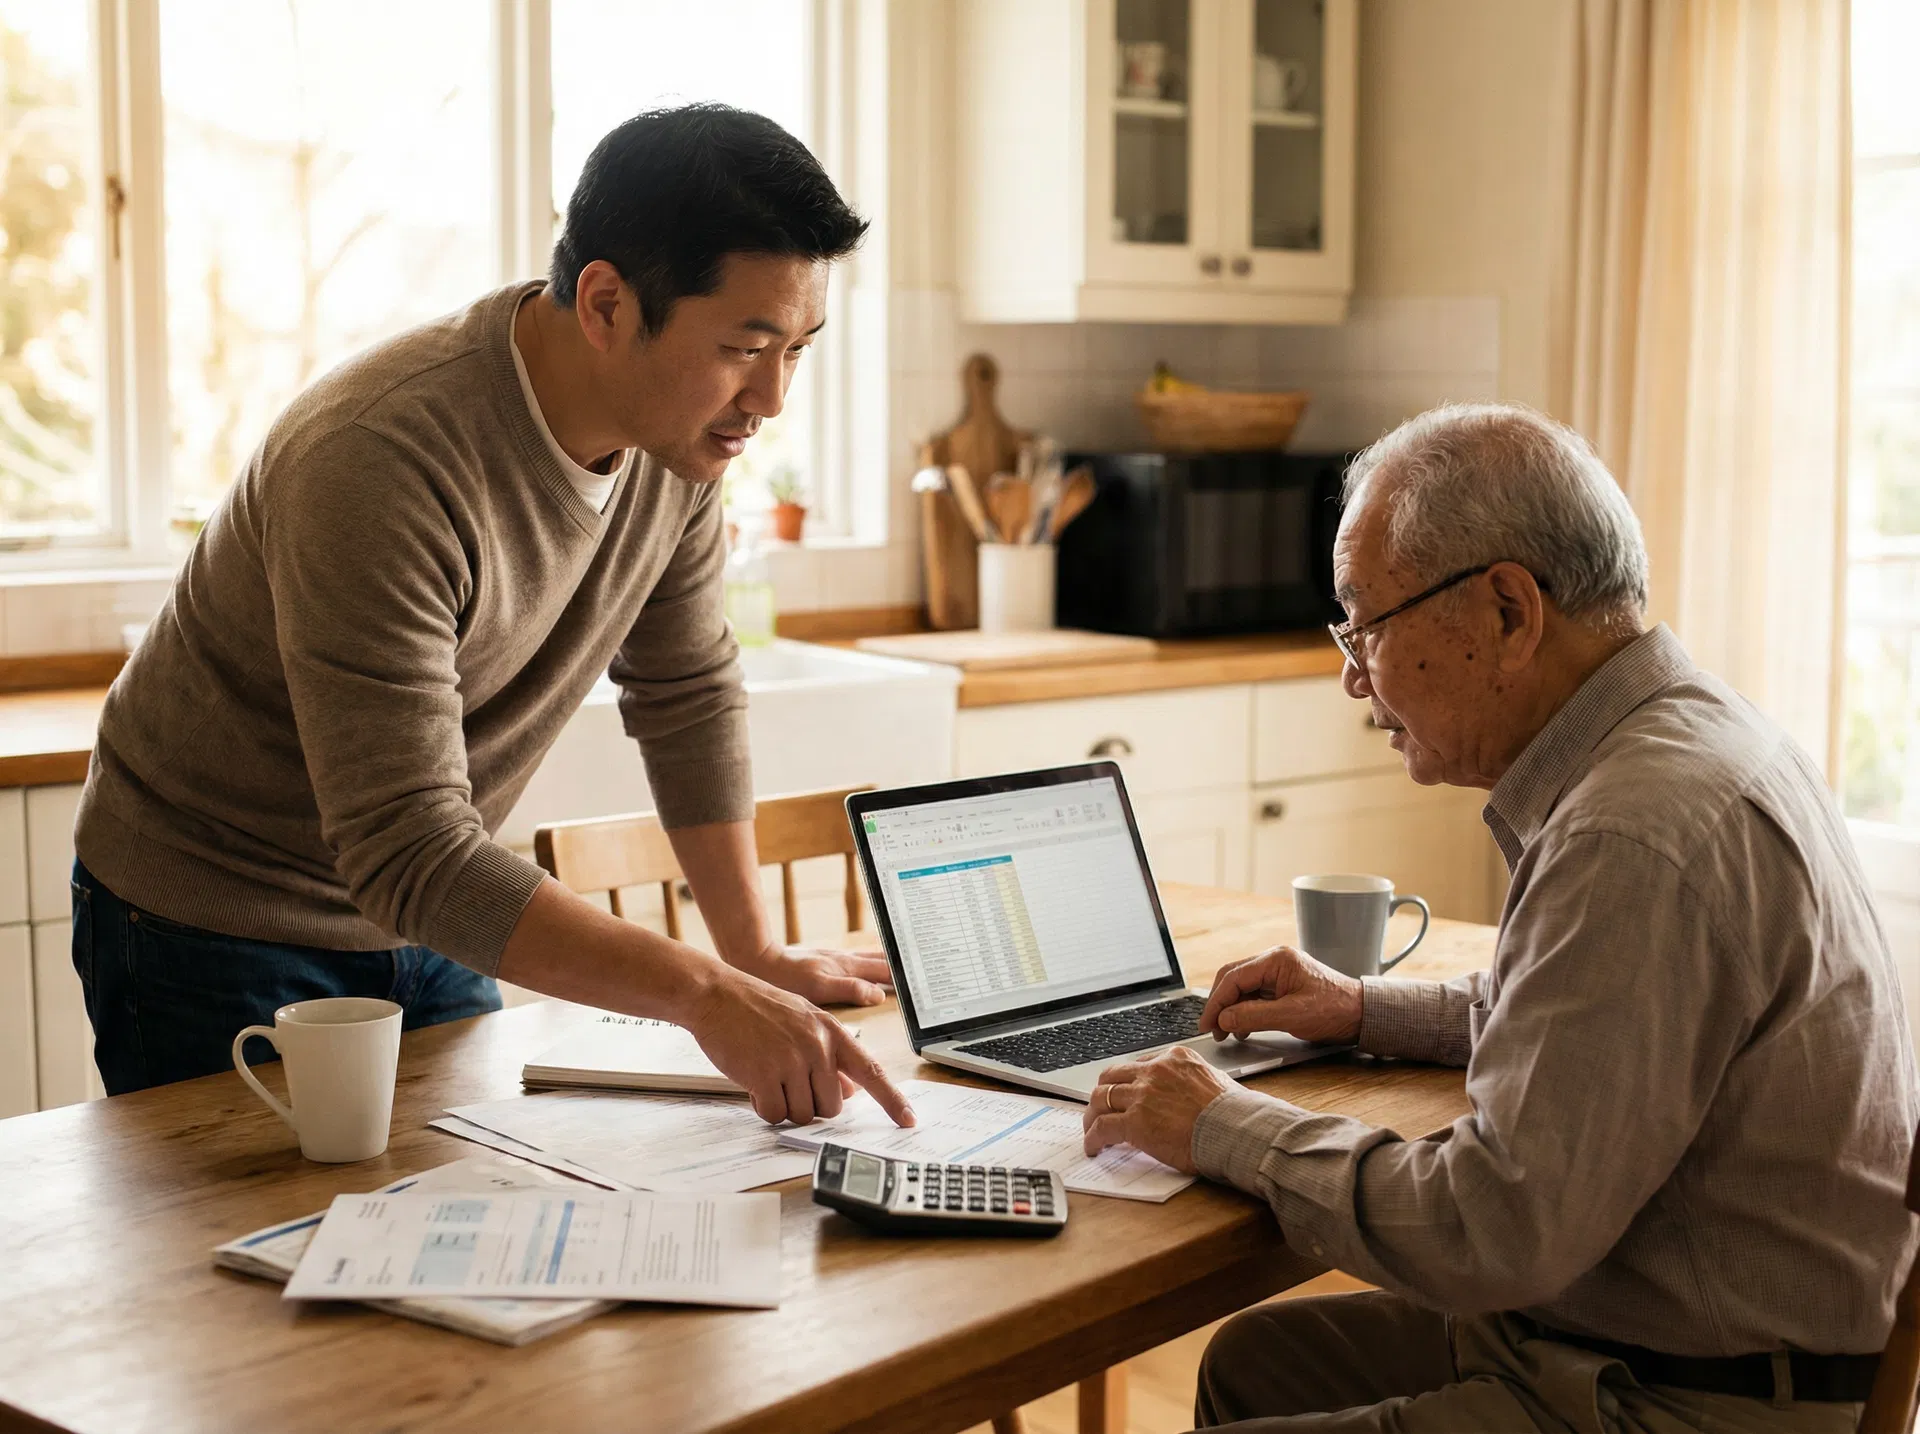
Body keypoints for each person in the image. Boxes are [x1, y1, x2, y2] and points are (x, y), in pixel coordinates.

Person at [71, 103, 912, 1130]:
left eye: (798, 348)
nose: (773, 397)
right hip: (209, 913)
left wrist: (750, 950)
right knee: (250, 1268)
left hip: (427, 907)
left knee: (461, 1231)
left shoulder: (679, 444)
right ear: (606, 303)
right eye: (746, 345)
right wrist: (702, 993)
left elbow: (685, 692)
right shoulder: (381, 459)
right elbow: (408, 850)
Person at [1082, 403, 1917, 1432]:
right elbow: (1597, 1033)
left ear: (1509, 614)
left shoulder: (1633, 831)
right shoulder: (1691, 735)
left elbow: (1492, 1227)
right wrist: (1362, 1009)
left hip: (1687, 1398)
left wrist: (1224, 1124)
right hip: (1676, 1339)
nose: (1352, 678)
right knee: (1262, 1361)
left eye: (1366, 627)